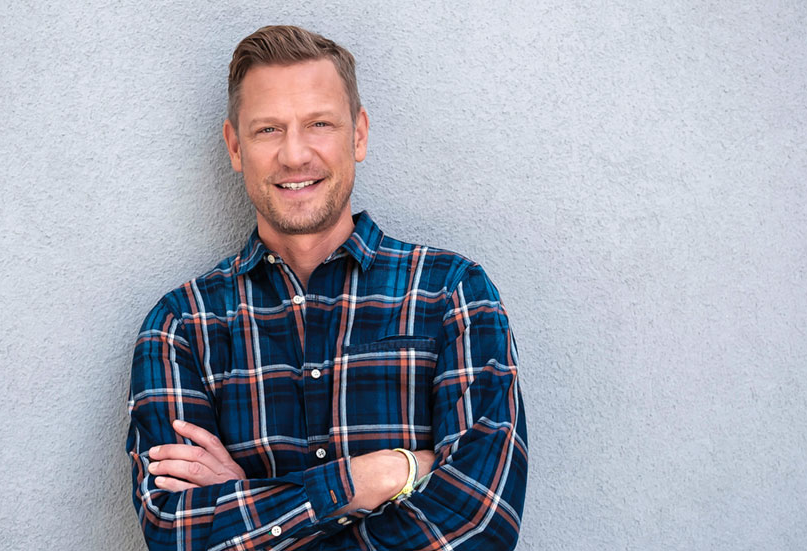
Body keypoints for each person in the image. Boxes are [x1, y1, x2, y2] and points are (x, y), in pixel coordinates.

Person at [127, 25, 528, 550]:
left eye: (319, 123)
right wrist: (369, 478)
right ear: (235, 146)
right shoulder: (182, 327)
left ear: (358, 135)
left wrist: (247, 502)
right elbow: (176, 534)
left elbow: (481, 525)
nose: (295, 155)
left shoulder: (452, 296)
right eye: (268, 129)